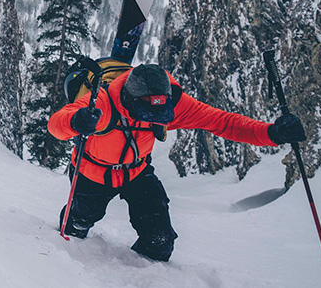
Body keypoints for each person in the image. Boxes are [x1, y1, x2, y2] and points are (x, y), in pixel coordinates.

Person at [47, 63, 307, 261]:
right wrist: (76, 121)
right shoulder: (103, 103)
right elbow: (57, 123)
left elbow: (222, 122)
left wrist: (272, 133)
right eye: (148, 114)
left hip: (137, 171)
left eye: (160, 114)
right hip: (93, 173)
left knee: (160, 241)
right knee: (77, 225)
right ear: (129, 100)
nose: (156, 119)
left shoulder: (173, 103)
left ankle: (146, 274)